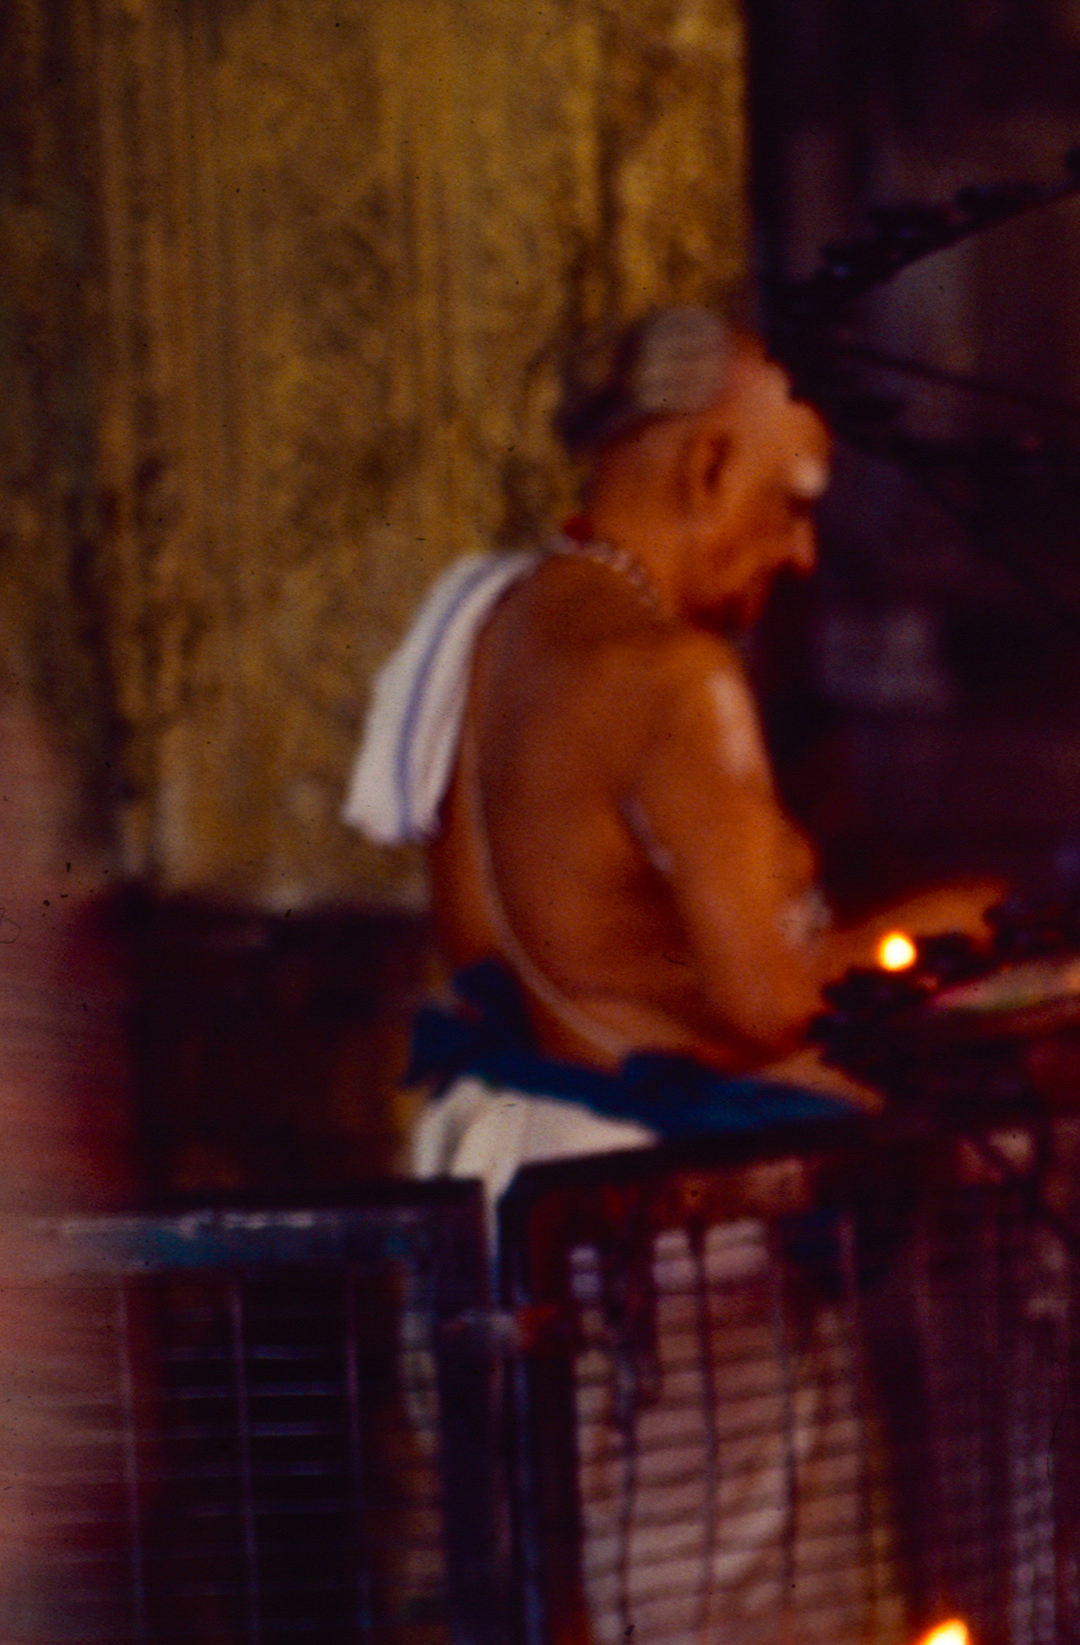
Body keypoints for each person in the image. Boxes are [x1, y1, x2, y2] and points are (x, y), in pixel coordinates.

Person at [349, 306, 980, 1195]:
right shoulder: (680, 680)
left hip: (503, 1174)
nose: (803, 553)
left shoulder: (487, 621)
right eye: (793, 505)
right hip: (652, 1204)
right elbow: (774, 1003)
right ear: (708, 467)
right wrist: (954, 929)